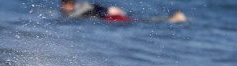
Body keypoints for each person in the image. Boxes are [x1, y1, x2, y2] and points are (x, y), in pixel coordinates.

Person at [59, 1, 187, 23]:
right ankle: (172, 18)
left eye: (64, 5)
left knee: (140, 21)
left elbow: (95, 9)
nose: (62, 8)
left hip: (112, 16)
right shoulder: (83, 6)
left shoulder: (79, 9)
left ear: (69, 4)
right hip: (111, 13)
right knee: (140, 20)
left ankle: (173, 19)